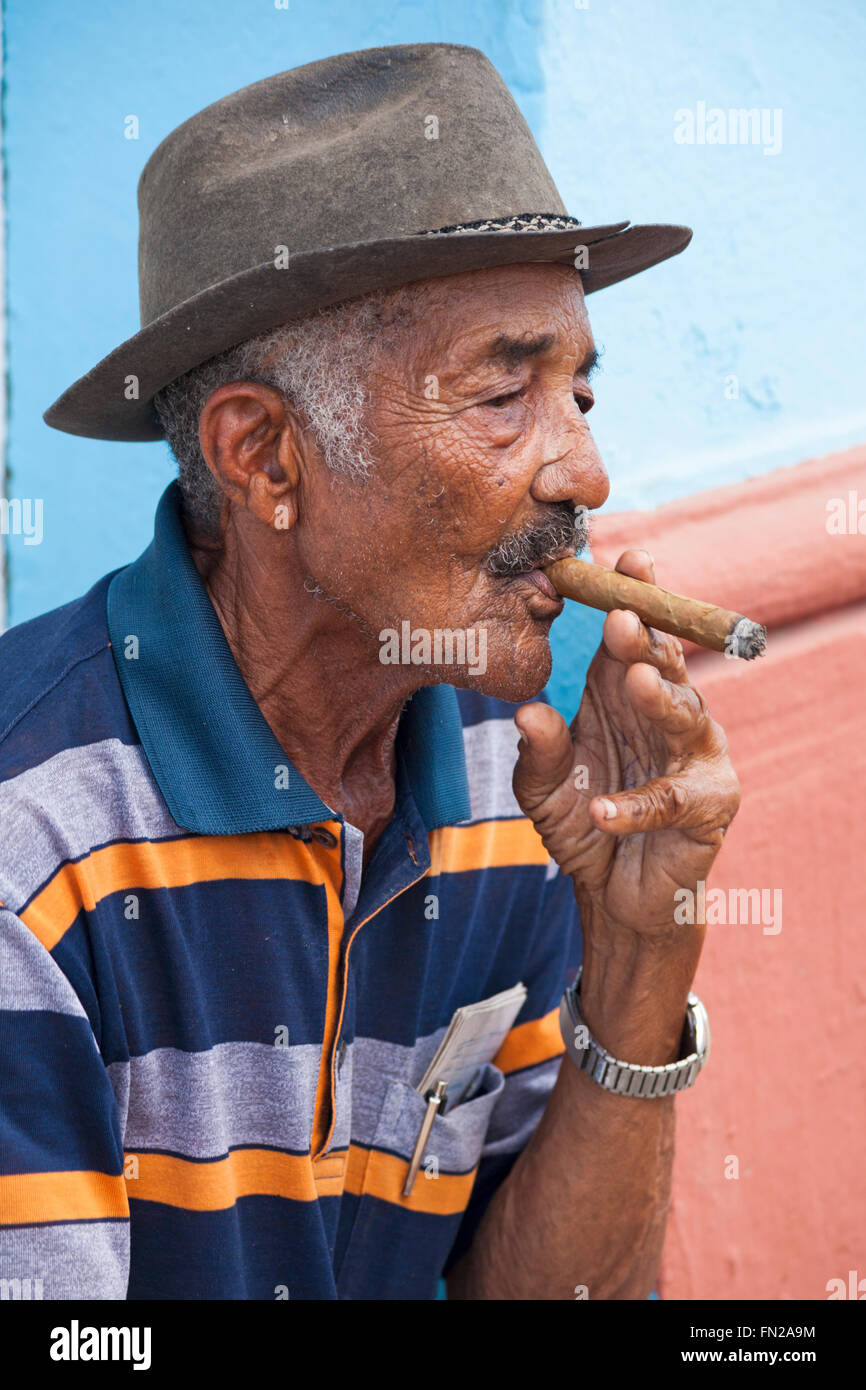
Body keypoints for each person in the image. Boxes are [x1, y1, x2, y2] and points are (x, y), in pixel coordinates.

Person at [0, 42, 739, 1299]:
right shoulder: (33, 849)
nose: (584, 474)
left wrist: (633, 966)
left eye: (580, 393)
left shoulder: (521, 766)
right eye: (505, 393)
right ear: (266, 459)